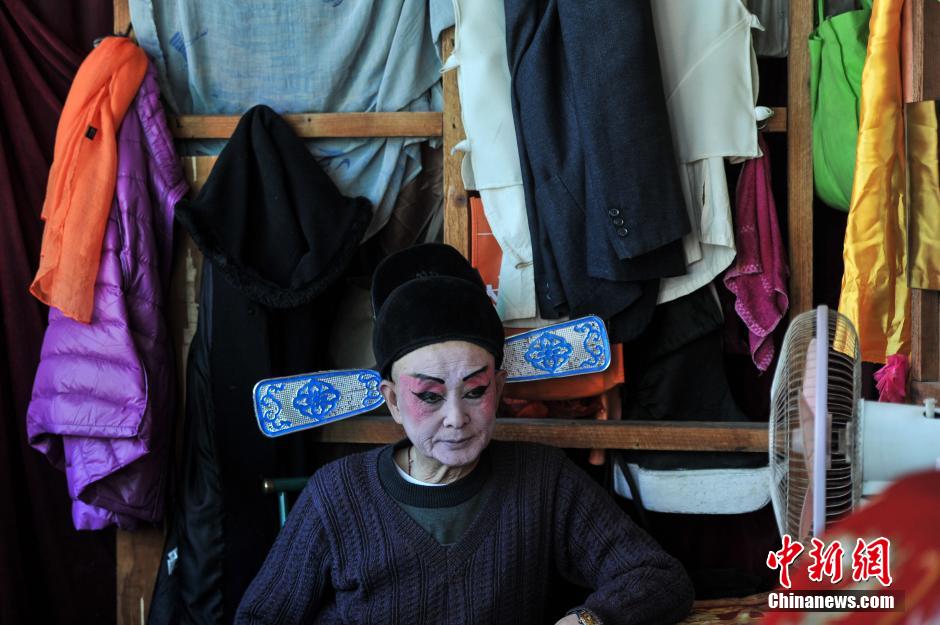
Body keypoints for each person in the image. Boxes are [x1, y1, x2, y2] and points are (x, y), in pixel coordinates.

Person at [234, 243, 695, 625]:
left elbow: (658, 577)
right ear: (393, 400)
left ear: (498, 387)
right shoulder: (337, 496)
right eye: (429, 396)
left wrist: (588, 621)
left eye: (474, 391)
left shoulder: (542, 481)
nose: (456, 417)